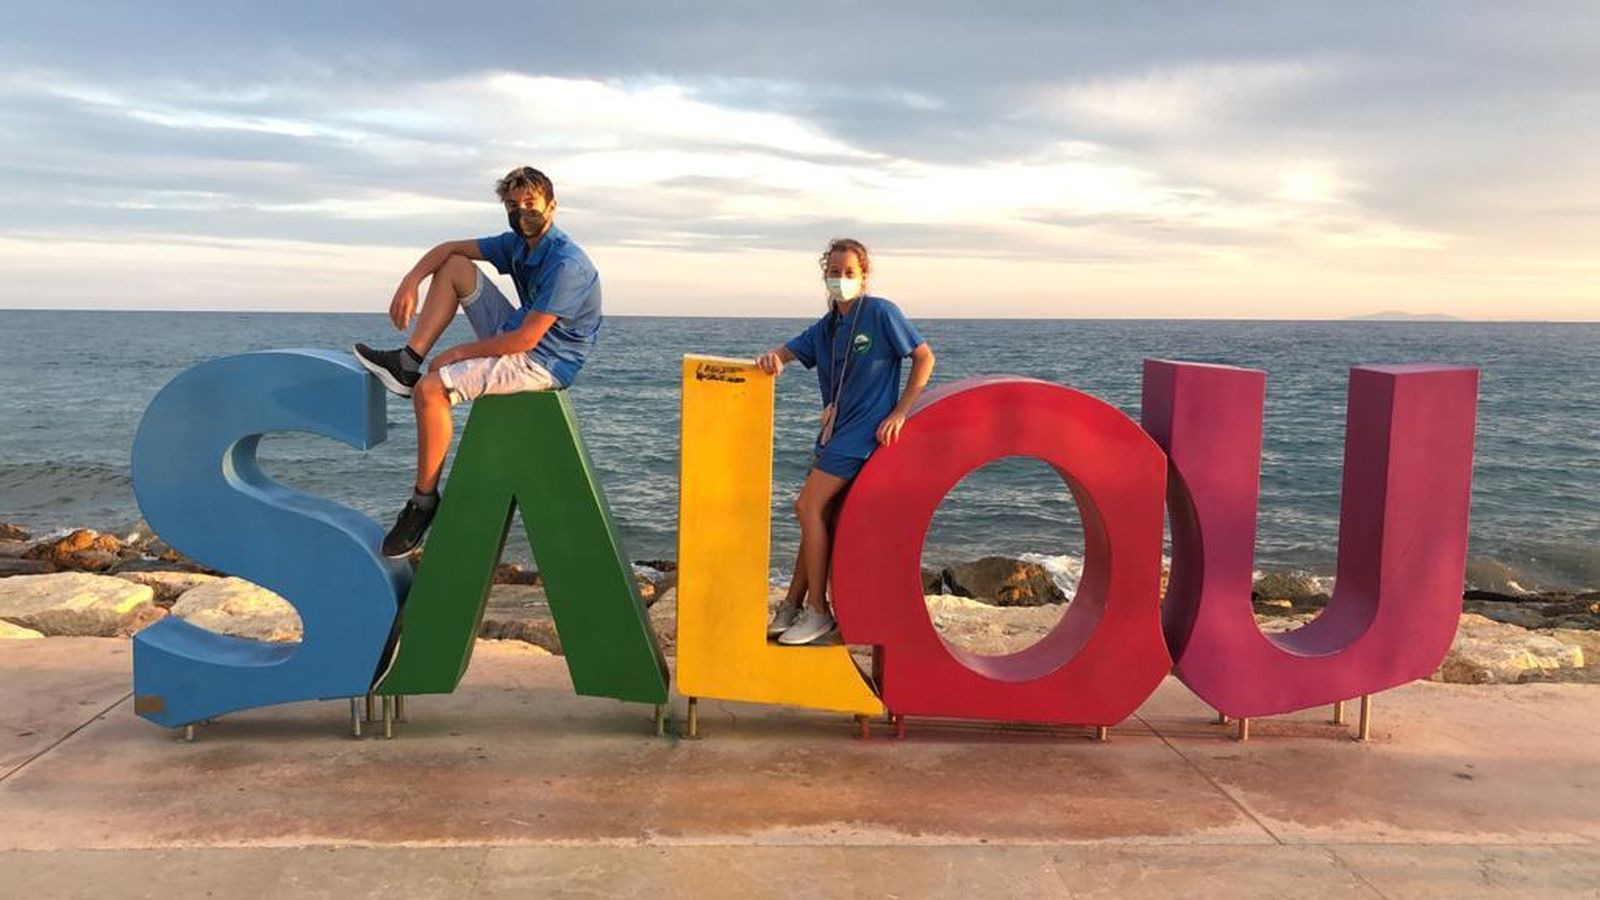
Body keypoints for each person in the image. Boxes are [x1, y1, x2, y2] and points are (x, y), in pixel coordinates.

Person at [353, 166, 601, 558]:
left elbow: (527, 340)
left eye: (531, 203)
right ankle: (407, 359)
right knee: (454, 266)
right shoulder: (517, 244)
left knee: (431, 391)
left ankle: (423, 503)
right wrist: (411, 280)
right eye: (513, 205)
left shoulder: (567, 264)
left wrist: (458, 353)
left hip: (544, 361)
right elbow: (448, 249)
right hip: (518, 335)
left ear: (552, 206)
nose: (522, 212)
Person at [755, 238, 936, 645]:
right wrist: (771, 360)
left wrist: (900, 412)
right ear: (825, 275)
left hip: (863, 433)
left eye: (849, 273)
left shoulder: (881, 313)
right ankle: (793, 604)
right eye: (834, 272)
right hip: (834, 433)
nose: (841, 279)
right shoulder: (828, 326)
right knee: (814, 515)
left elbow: (925, 357)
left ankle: (819, 612)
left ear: (864, 276)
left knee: (806, 506)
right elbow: (784, 354)